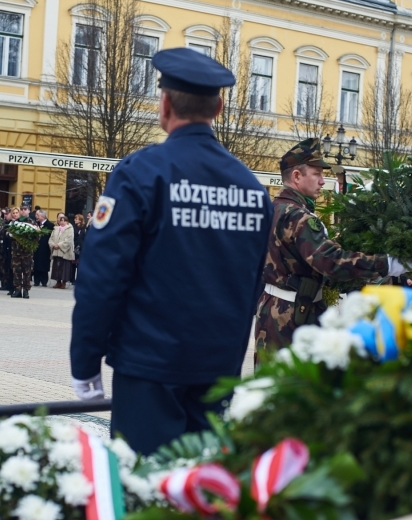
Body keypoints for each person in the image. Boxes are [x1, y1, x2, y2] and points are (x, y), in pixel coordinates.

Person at [69, 47, 273, 455]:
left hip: (150, 365)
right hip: (218, 368)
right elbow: (253, 282)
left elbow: (102, 276)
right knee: (203, 483)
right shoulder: (252, 189)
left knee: (147, 483)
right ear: (218, 108)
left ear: (164, 105)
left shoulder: (141, 173)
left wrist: (86, 362)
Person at [254, 138, 412, 353]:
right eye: (317, 174)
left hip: (272, 310)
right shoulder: (299, 217)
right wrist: (388, 263)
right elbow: (331, 262)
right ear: (297, 176)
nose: (322, 181)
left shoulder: (273, 209)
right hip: (293, 317)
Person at [9, 206, 35, 298]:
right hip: (16, 251)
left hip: (27, 252)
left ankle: (26, 290)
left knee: (27, 271)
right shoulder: (14, 223)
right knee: (16, 271)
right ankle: (17, 289)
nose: (23, 211)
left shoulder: (31, 222)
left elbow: (37, 234)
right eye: (22, 209)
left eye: (25, 209)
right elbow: (7, 234)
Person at [48, 213, 74, 289]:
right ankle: (58, 282)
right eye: (61, 220)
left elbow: (69, 240)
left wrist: (59, 245)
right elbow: (51, 238)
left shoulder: (70, 229)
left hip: (65, 251)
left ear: (67, 222)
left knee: (64, 267)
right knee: (57, 267)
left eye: (64, 221)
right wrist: (53, 245)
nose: (62, 222)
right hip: (56, 251)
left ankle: (64, 282)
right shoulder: (55, 229)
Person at [33, 209, 54, 287]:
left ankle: (44, 280)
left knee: (44, 264)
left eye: (38, 215)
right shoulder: (36, 224)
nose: (36, 217)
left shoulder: (50, 225)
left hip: (45, 248)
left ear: (43, 216)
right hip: (36, 247)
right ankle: (36, 280)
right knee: (36, 263)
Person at [0, 208, 13, 292]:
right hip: (1, 247)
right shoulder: (3, 223)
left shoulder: (11, 224)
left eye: (7, 214)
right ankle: (4, 283)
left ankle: (7, 284)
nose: (5, 216)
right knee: (2, 267)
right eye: (5, 214)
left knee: (7, 267)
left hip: (8, 248)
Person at [70, 213, 86, 284]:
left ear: (80, 220)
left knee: (79, 264)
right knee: (73, 264)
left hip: (81, 247)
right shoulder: (73, 227)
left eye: (76, 219)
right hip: (74, 246)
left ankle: (78, 278)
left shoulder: (84, 227)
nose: (75, 220)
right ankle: (72, 278)